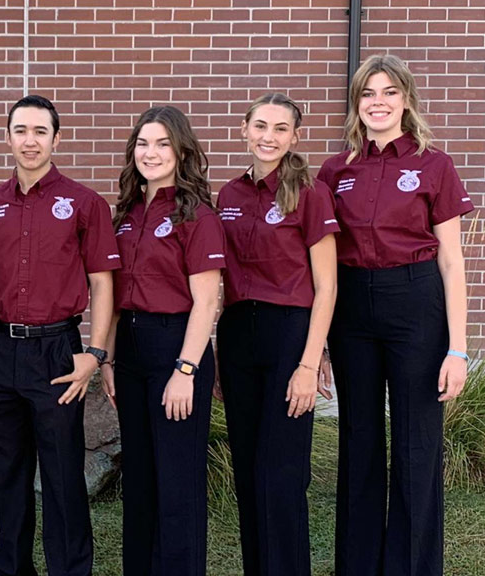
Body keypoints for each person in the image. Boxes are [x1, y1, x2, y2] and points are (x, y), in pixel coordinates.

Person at [317, 54, 472, 576]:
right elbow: (321, 262)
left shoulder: (434, 165)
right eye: (367, 94)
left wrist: (457, 347)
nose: (377, 102)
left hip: (416, 303)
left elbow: (452, 262)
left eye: (388, 92)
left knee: (416, 442)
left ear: (406, 99)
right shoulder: (335, 170)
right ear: (356, 104)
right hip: (353, 308)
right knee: (359, 439)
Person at [0, 95, 119, 576]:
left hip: (57, 352)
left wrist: (95, 352)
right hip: (0, 350)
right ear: (7, 136)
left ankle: (70, 569)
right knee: (7, 475)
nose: (29, 141)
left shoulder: (85, 203)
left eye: (39, 131)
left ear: (56, 137)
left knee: (62, 475)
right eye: (20, 130)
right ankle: (13, 569)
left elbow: (102, 280)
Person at [215, 93, 338, 576]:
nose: (269, 136)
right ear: (244, 128)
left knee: (282, 473)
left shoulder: (309, 191)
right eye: (261, 126)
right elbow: (222, 286)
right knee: (248, 471)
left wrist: (310, 362)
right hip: (239, 334)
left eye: (280, 128)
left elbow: (326, 286)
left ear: (295, 136)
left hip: (290, 333)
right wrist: (221, 359)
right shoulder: (227, 195)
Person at [99, 105, 224, 575]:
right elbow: (113, 292)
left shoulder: (197, 215)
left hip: (177, 349)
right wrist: (107, 358)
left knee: (177, 483)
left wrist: (186, 370)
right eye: (143, 143)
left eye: (162, 143)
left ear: (181, 151)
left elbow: (207, 302)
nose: (150, 153)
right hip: (130, 351)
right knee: (142, 482)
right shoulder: (127, 213)